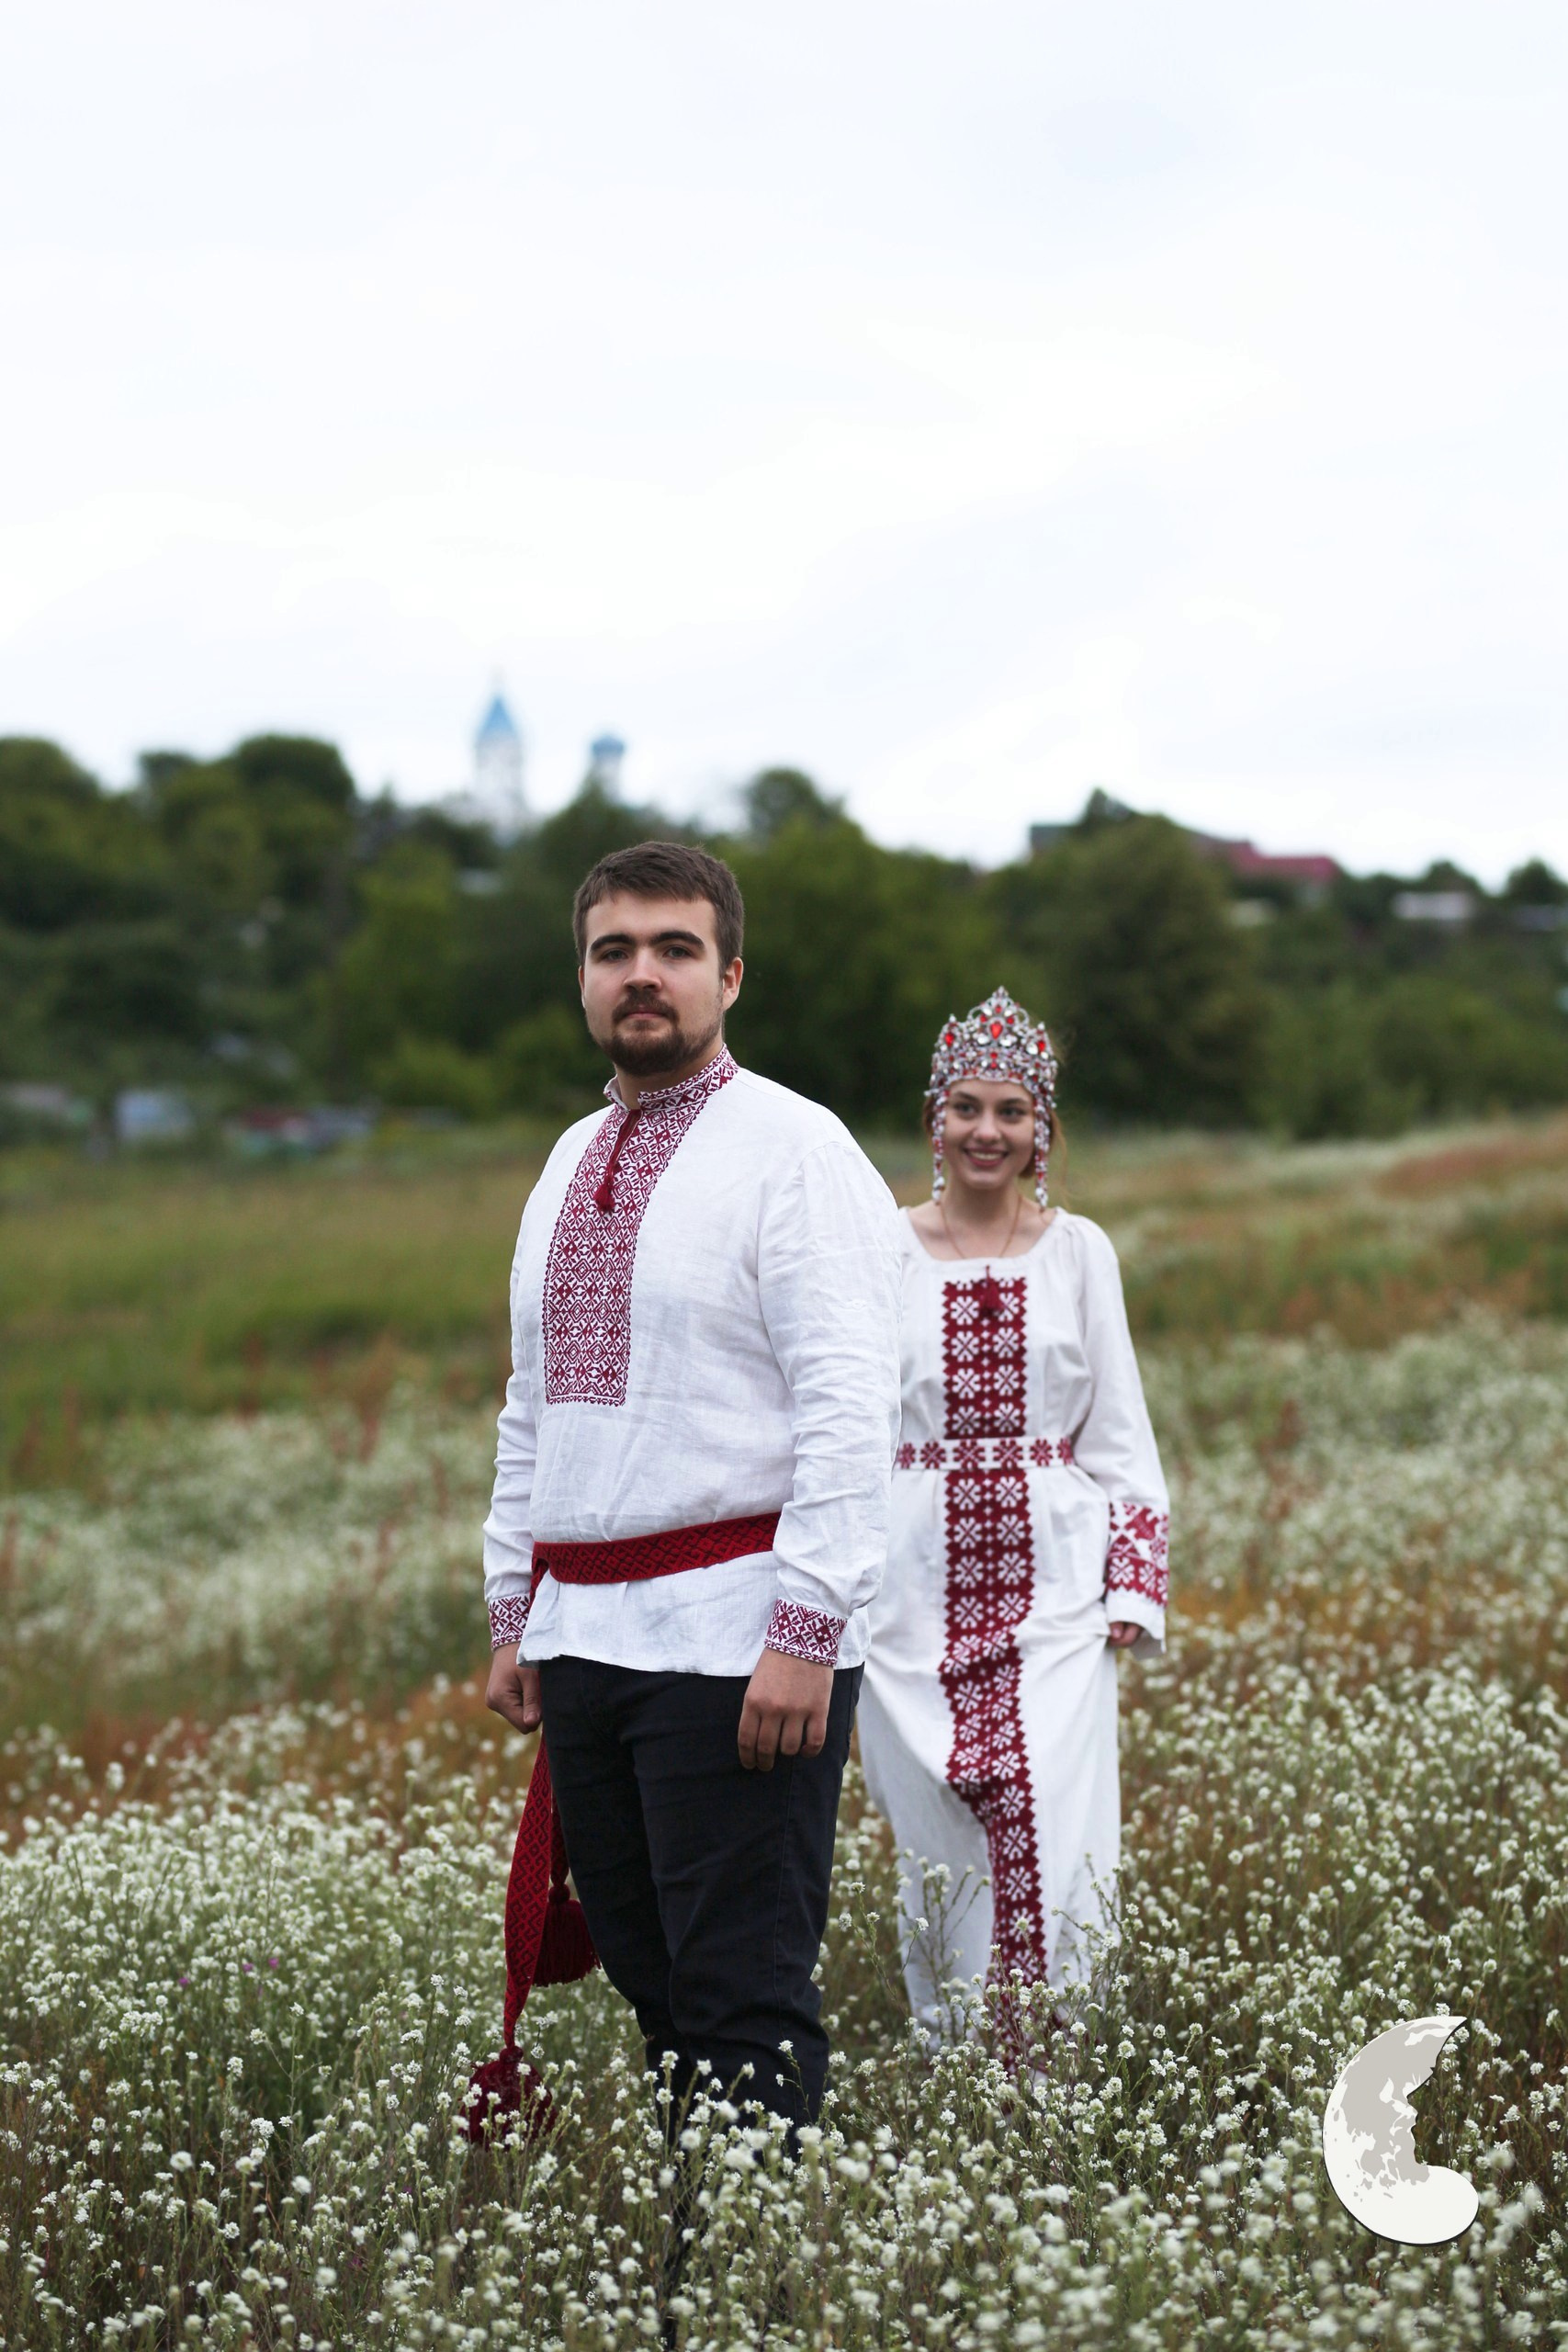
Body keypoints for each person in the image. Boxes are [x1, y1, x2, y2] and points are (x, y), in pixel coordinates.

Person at [479, 840, 902, 2135]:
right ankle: (697, 2248)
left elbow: (851, 1404)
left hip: (738, 1639)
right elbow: (533, 1402)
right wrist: (513, 1610)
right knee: (653, 1986)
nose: (642, 976)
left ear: (730, 975)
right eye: (613, 951)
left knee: (737, 1994)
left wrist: (807, 1632)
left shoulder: (796, 1148)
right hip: (588, 1638)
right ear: (583, 978)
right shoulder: (568, 1156)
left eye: (674, 949)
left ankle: (752, 2260)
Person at [857, 987, 1168, 2050]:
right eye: (967, 1108)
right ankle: (958, 2066)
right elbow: (848, 1423)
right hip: (909, 1598)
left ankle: (1058, 2067)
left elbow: (1118, 1432)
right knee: (938, 1837)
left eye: (1011, 1111)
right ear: (933, 1120)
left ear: (1043, 1130)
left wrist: (1132, 1584)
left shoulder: (1080, 1252)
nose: (986, 1130)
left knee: (1054, 1821)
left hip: (1056, 1594)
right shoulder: (881, 1249)